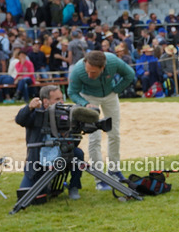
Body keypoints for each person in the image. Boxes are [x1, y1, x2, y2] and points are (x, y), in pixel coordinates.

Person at [67, 49, 135, 189]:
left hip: (110, 95)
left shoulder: (113, 61)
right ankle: (100, 178)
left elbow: (130, 74)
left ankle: (114, 171)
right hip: (89, 97)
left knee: (114, 134)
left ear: (103, 68)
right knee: (94, 138)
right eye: (88, 71)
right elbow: (72, 92)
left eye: (93, 72)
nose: (89, 74)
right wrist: (85, 104)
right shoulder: (78, 70)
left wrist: (116, 90)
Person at [15, 84, 83, 200]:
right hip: (38, 158)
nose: (61, 102)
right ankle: (47, 186)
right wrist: (29, 107)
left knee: (78, 153)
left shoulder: (65, 113)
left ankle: (74, 187)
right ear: (46, 101)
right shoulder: (36, 113)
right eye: (57, 99)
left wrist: (66, 135)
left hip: (61, 154)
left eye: (62, 98)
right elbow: (20, 120)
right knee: (28, 197)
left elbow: (74, 141)